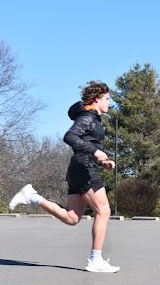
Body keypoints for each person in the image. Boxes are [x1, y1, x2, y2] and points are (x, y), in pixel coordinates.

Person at [9, 80, 120, 273]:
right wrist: (95, 152)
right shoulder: (88, 118)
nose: (110, 103)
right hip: (84, 169)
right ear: (96, 99)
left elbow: (83, 143)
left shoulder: (92, 118)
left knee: (72, 218)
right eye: (107, 99)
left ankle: (32, 196)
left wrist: (102, 161)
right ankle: (96, 260)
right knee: (104, 211)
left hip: (78, 168)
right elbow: (70, 137)